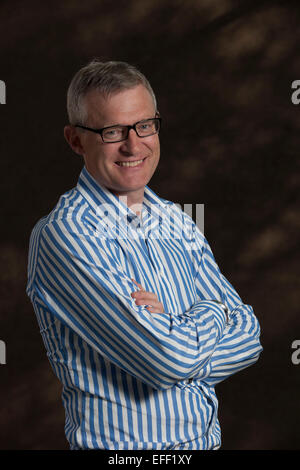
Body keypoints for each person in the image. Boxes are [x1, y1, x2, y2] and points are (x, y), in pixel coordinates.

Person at [26, 59, 262, 450]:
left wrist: (173, 330)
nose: (133, 145)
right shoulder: (66, 235)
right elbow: (166, 359)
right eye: (112, 131)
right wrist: (214, 312)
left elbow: (250, 339)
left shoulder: (177, 221)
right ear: (75, 140)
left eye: (144, 126)